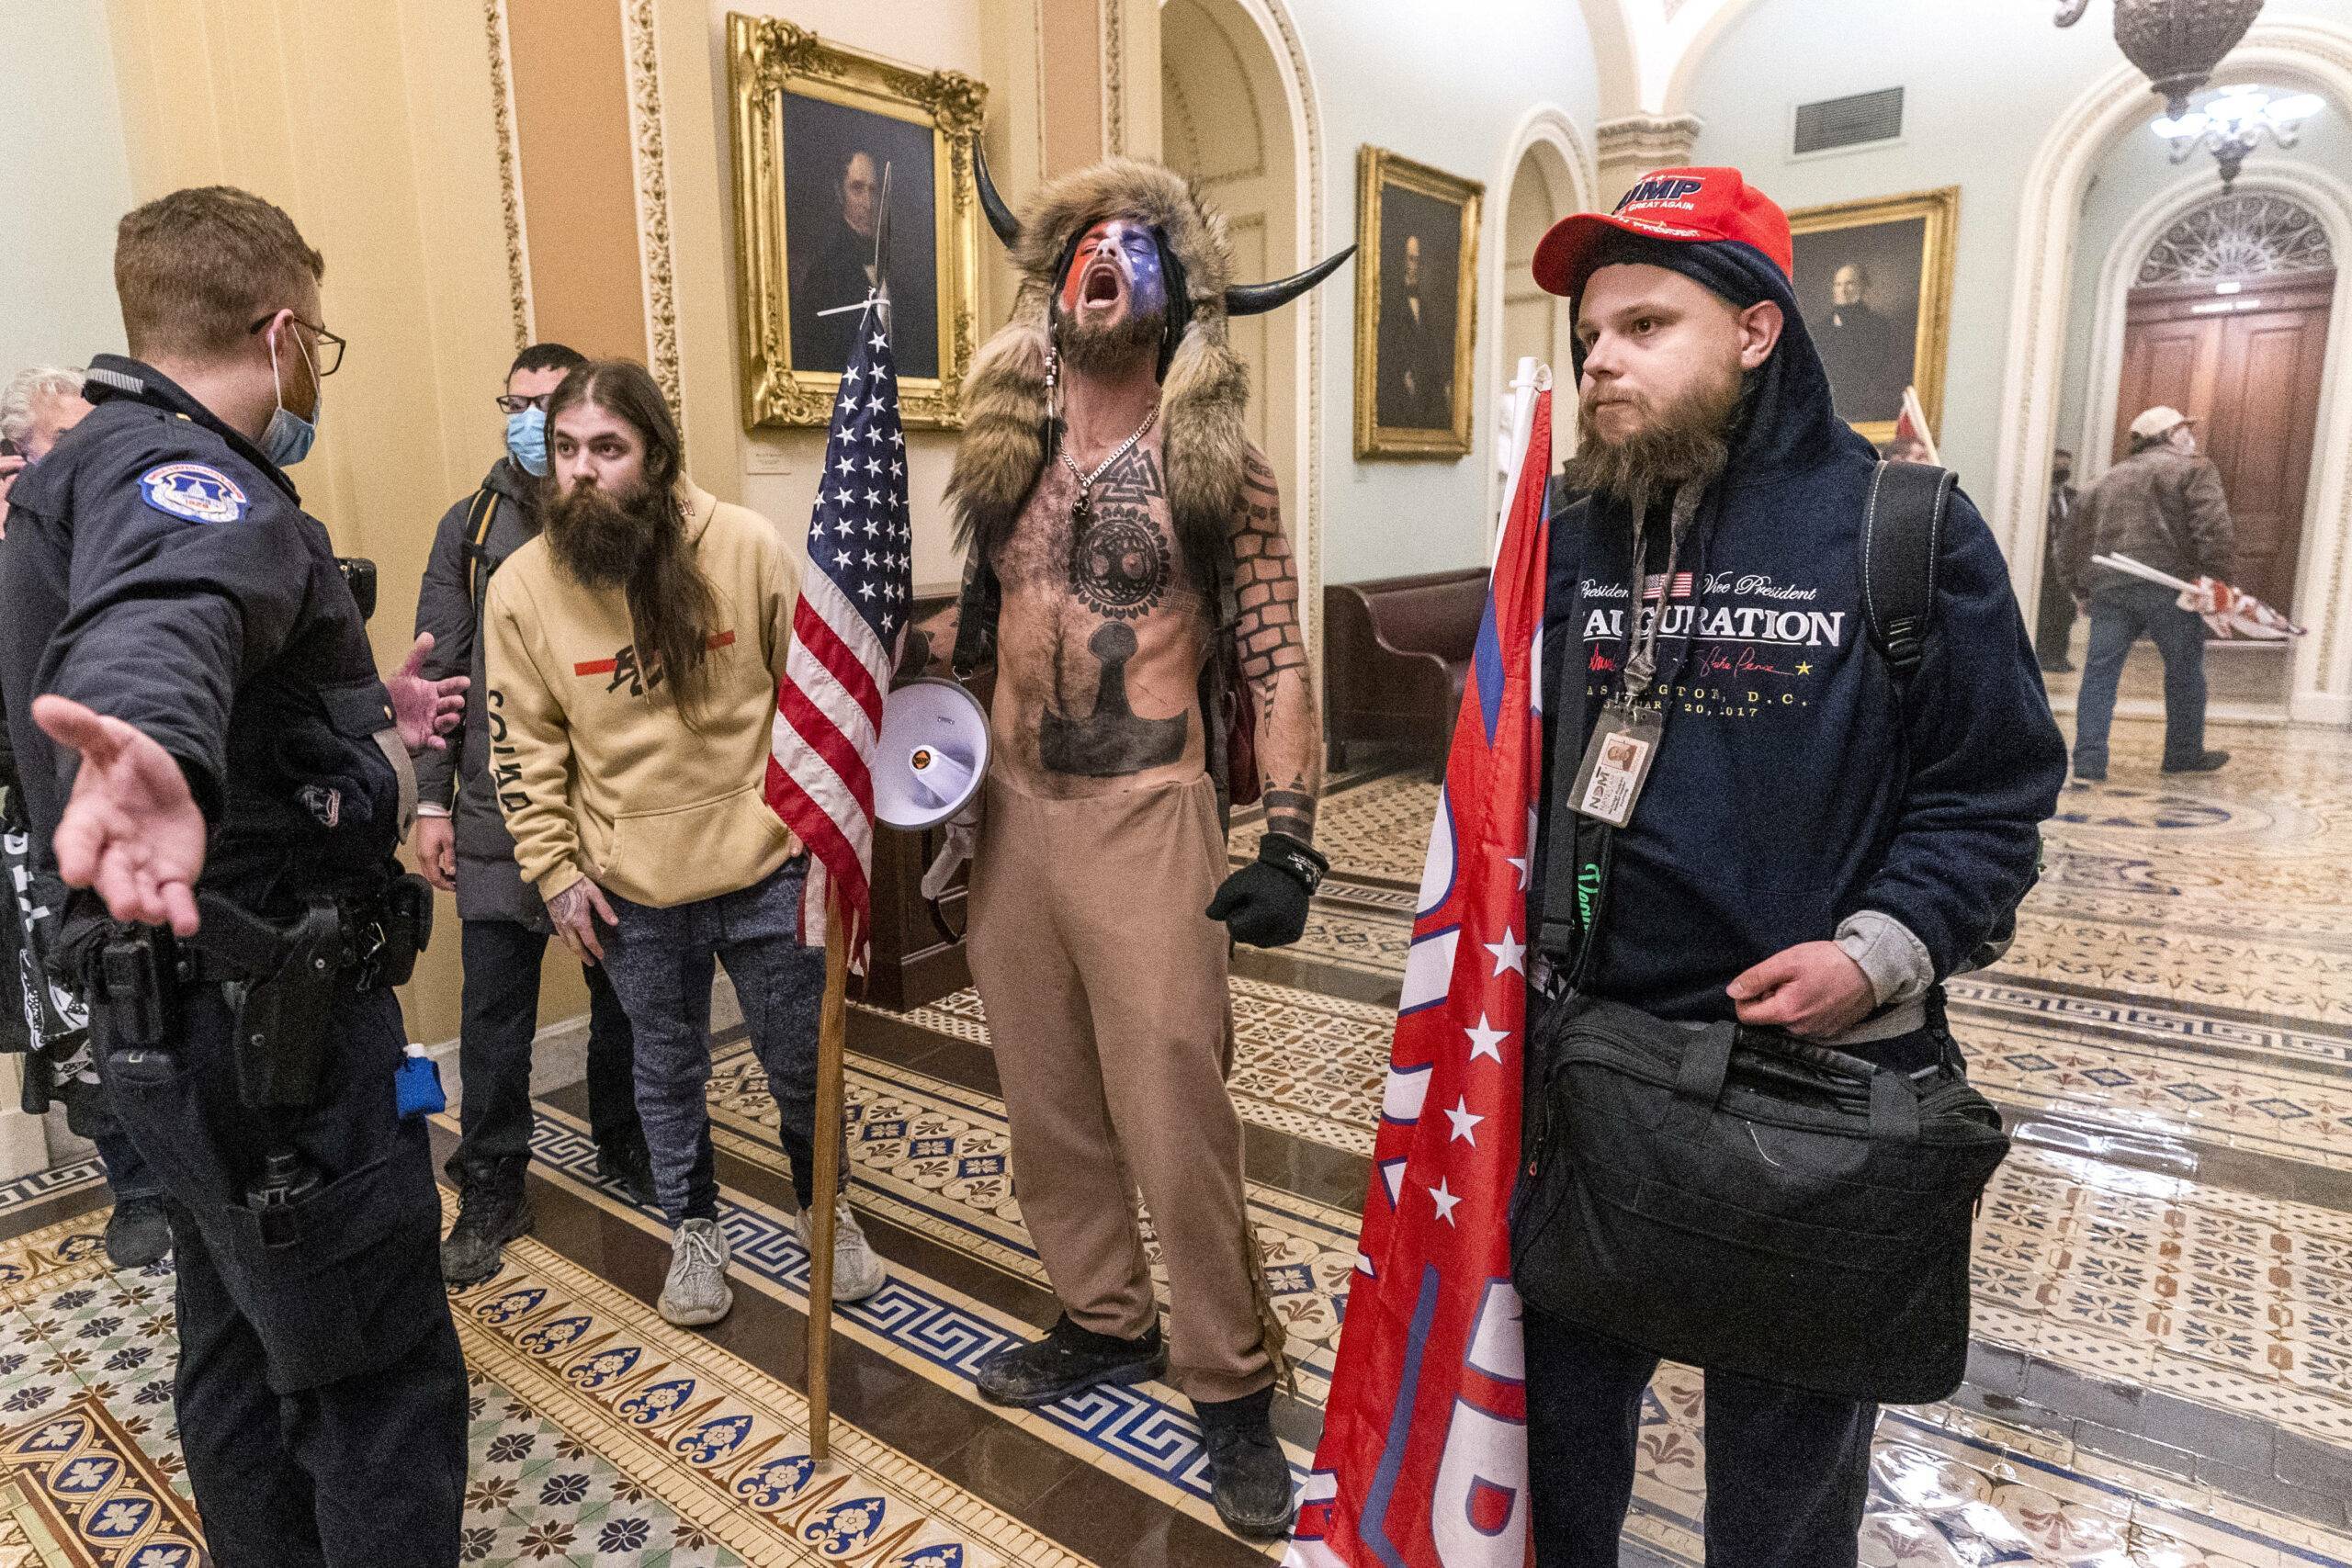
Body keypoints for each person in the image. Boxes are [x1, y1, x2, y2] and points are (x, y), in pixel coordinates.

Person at [1519, 166, 2064, 1566]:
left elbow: (1992, 795)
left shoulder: (1904, 527)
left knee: (1783, 1490)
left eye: (1645, 324)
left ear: (1757, 329)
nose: (1601, 359)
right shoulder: (1578, 534)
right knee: (1559, 1450)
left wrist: (1874, 950)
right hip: (1599, 1073)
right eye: (1591, 335)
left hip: (1811, 1094)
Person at [0, 185, 469, 1565]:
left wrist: (346, 707)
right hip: (279, 1042)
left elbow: (188, 629)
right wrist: (151, 738)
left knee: (235, 1345)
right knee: (376, 1386)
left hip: (171, 1032)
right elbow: (171, 605)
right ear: (283, 333)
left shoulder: (76, 470)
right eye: (317, 338)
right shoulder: (189, 475)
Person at [915, 152, 1350, 1540]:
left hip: (1151, 813)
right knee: (1045, 1101)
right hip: (1013, 817)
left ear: (1173, 290)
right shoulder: (1006, 448)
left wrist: (1290, 838)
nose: (1104, 258)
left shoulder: (1218, 461)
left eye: (1134, 243)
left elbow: (1275, 650)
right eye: (1083, 244)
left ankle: (1227, 1377)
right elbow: (984, 627)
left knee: (1173, 1113)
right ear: (1056, 284)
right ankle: (1102, 1313)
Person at [481, 358, 883, 1327]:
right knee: (664, 1071)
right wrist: (557, 874)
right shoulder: (521, 588)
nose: (581, 472)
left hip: (766, 865)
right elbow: (520, 749)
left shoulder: (742, 546)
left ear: (656, 459)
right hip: (630, 886)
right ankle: (694, 1227)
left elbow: (815, 704)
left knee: (801, 1058)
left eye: (607, 450)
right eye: (565, 450)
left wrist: (824, 848)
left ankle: (824, 1207)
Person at [413, 341, 652, 1288]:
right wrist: (428, 802)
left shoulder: (627, 519)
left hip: (611, 803)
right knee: (494, 1012)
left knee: (627, 997)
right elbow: (434, 673)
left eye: (547, 407)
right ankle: (494, 1181)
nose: (530, 424)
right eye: (513, 404)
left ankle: (627, 1144)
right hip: (495, 806)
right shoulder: (469, 527)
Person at [0, 366, 173, 1268]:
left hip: (120, 826)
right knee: (72, 1035)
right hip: (27, 842)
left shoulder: (107, 547)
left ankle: (175, 1182)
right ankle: (135, 1189)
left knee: (142, 1011)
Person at [2061, 405, 2236, 783]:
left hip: (2110, 589)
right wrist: (2216, 582)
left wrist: (2079, 589)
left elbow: (2069, 543)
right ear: (2171, 436)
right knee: (2185, 671)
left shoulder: (2100, 481)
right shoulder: (2195, 469)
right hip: (2171, 587)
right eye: (2185, 430)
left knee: (2099, 674)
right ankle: (2183, 753)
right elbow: (2214, 530)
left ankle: (2089, 762)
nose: (2191, 436)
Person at [792, 147, 937, 378]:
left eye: (874, 190)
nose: (868, 203)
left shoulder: (901, 270)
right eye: (857, 189)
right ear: (840, 193)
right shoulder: (824, 275)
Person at [1815, 261, 1905, 423]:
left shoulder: (1878, 326)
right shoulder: (1819, 329)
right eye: (1838, 284)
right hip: (1827, 410)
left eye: (1849, 283)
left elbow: (1878, 369)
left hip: (1865, 409)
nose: (1842, 290)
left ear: (1862, 287)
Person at [1378, 231, 1451, 428]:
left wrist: (1442, 381)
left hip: (1423, 386)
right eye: (1411, 259)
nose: (1415, 266)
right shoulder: (1390, 302)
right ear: (1402, 260)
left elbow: (1430, 347)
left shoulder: (1424, 304)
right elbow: (1387, 346)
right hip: (1397, 389)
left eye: (1418, 260)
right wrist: (1402, 374)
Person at [2037, 448, 2081, 673]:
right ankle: (2042, 654)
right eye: (2058, 466)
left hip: (2066, 565)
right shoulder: (2036, 497)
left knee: (2065, 612)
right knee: (2045, 610)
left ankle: (2059, 656)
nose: (2063, 471)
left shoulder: (2074, 497)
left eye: (2067, 466)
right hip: (2041, 564)